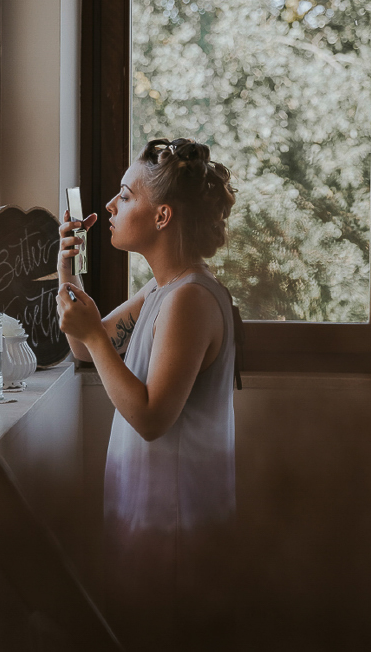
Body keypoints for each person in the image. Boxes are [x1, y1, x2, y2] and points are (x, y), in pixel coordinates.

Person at [55, 138, 240, 650]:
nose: (110, 206)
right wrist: (67, 273)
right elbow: (84, 347)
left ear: (162, 216)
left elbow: (153, 418)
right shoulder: (162, 290)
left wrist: (95, 337)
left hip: (176, 523)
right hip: (148, 510)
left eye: (125, 195)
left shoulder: (190, 300)